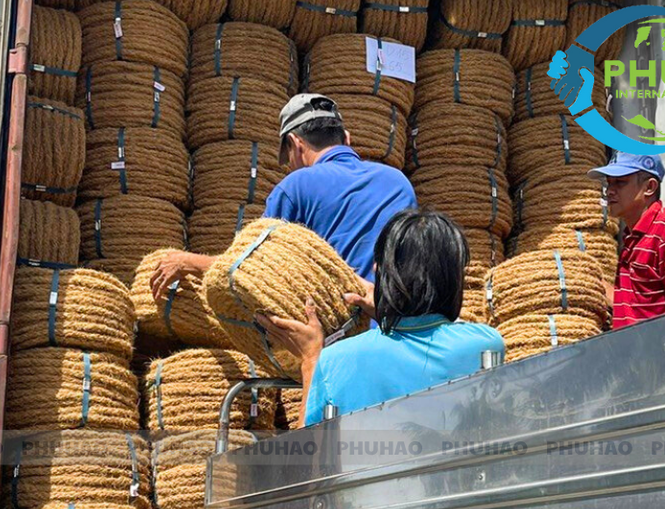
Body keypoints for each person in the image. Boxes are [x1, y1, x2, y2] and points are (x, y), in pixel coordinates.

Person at [256, 209, 506, 428]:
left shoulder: (335, 360)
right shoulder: (486, 344)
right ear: (455, 278)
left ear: (380, 271)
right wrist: (397, 308)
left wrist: (311, 359)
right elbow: (441, 332)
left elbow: (308, 453)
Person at [151, 94, 417, 299]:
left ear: (295, 143)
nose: (289, 165)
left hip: (339, 337)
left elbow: (257, 267)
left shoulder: (296, 187)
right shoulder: (398, 182)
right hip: (397, 328)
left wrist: (189, 262)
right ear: (346, 138)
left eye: (287, 156)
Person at [588, 152, 665, 329]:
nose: (610, 191)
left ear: (649, 187)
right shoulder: (632, 239)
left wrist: (653, 341)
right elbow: (637, 310)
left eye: (620, 182)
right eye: (609, 183)